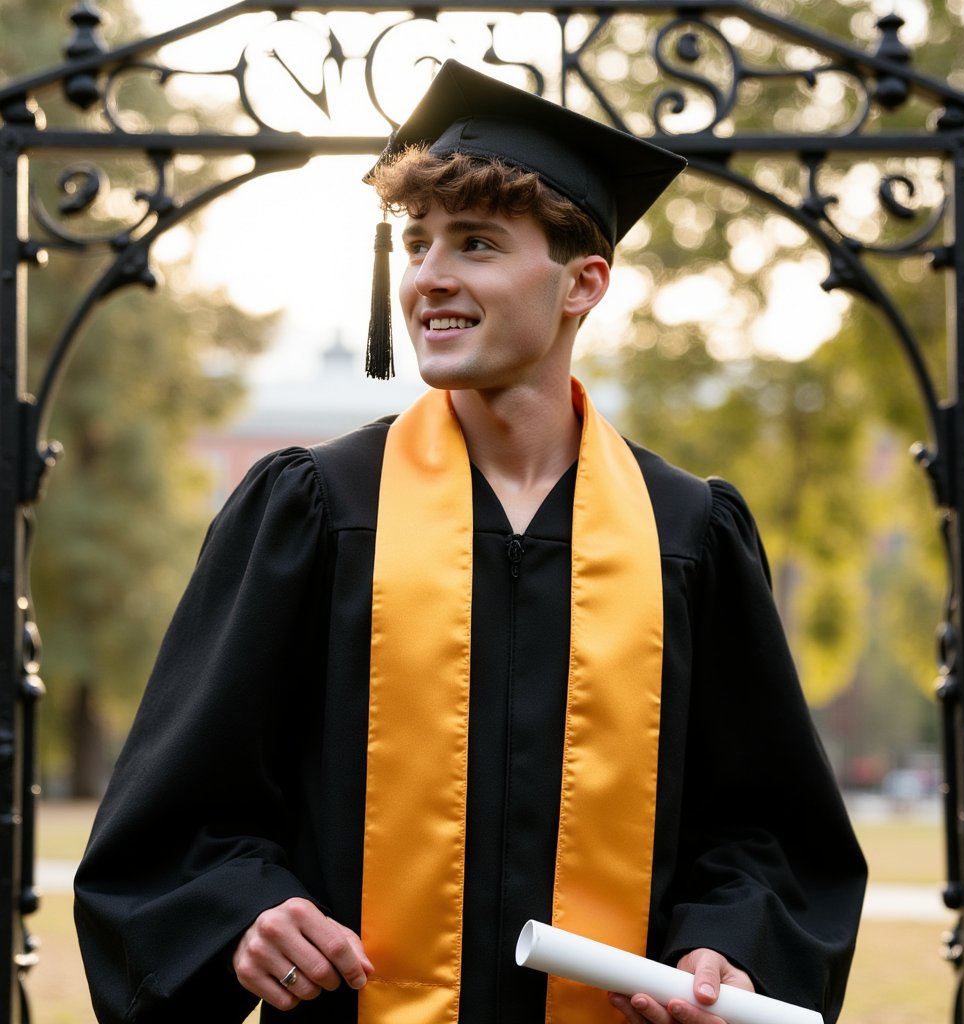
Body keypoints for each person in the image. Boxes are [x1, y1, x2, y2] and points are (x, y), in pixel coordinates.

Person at [74, 60, 866, 1024]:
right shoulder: (315, 514)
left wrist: (725, 948)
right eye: (417, 244)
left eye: (478, 244)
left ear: (584, 283)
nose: (430, 277)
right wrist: (247, 912)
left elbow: (766, 837)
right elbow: (178, 819)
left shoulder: (686, 536)